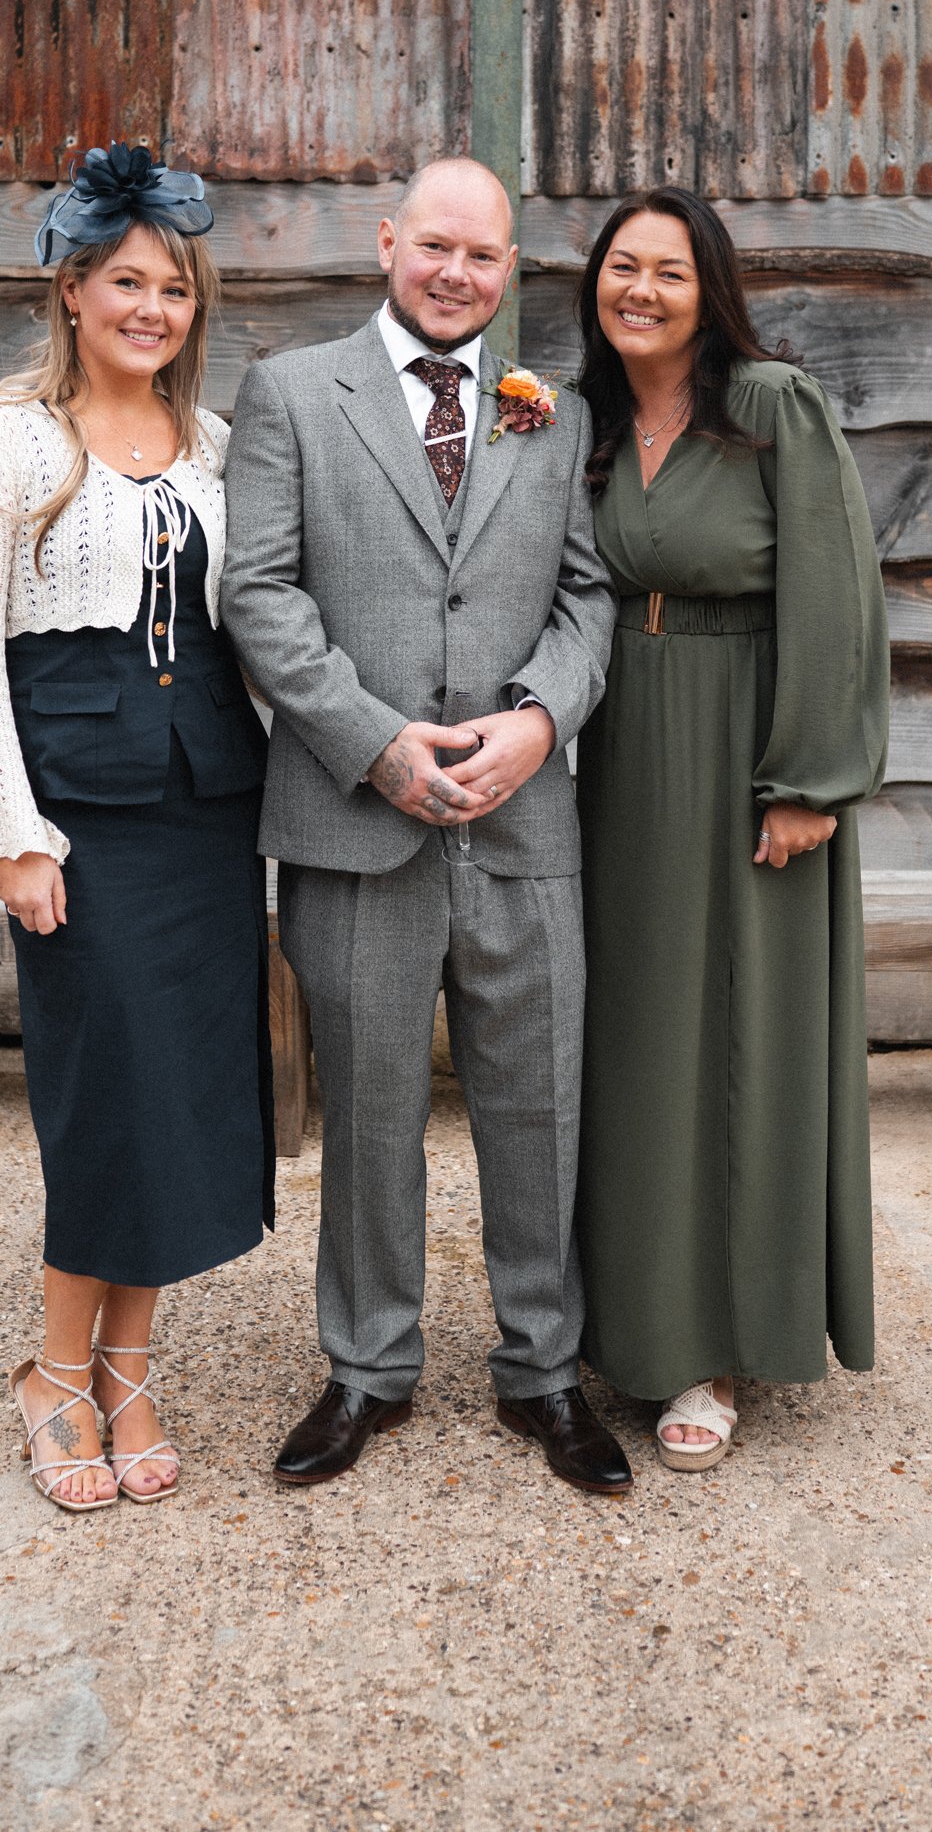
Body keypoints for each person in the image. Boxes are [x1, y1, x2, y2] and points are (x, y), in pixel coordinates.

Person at [221, 158, 630, 1495]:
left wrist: (536, 723)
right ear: (388, 241)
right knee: (373, 1113)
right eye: (434, 245)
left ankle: (541, 1373)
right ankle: (364, 1369)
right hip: (356, 827)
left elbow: (585, 602)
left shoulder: (543, 415)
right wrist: (375, 745)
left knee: (537, 1109)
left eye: (484, 255)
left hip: (524, 829)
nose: (456, 272)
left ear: (509, 271)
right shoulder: (292, 393)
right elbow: (262, 596)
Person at [0, 144, 273, 1513]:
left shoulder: (216, 450)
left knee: (178, 1097)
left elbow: (251, 633)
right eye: (125, 282)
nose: (151, 309)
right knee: (101, 1093)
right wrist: (9, 833)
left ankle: (131, 1365)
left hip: (203, 813)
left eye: (173, 289)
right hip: (77, 812)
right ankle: (54, 1374)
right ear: (71, 289)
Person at [572, 186, 889, 1470]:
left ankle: (711, 1346)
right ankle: (624, 1320)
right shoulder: (579, 423)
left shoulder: (771, 409)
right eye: (619, 267)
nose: (639, 290)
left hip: (744, 756)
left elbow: (836, 590)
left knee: (734, 1043)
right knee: (634, 1041)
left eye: (669, 271)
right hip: (614, 761)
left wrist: (809, 776)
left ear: (710, 291)